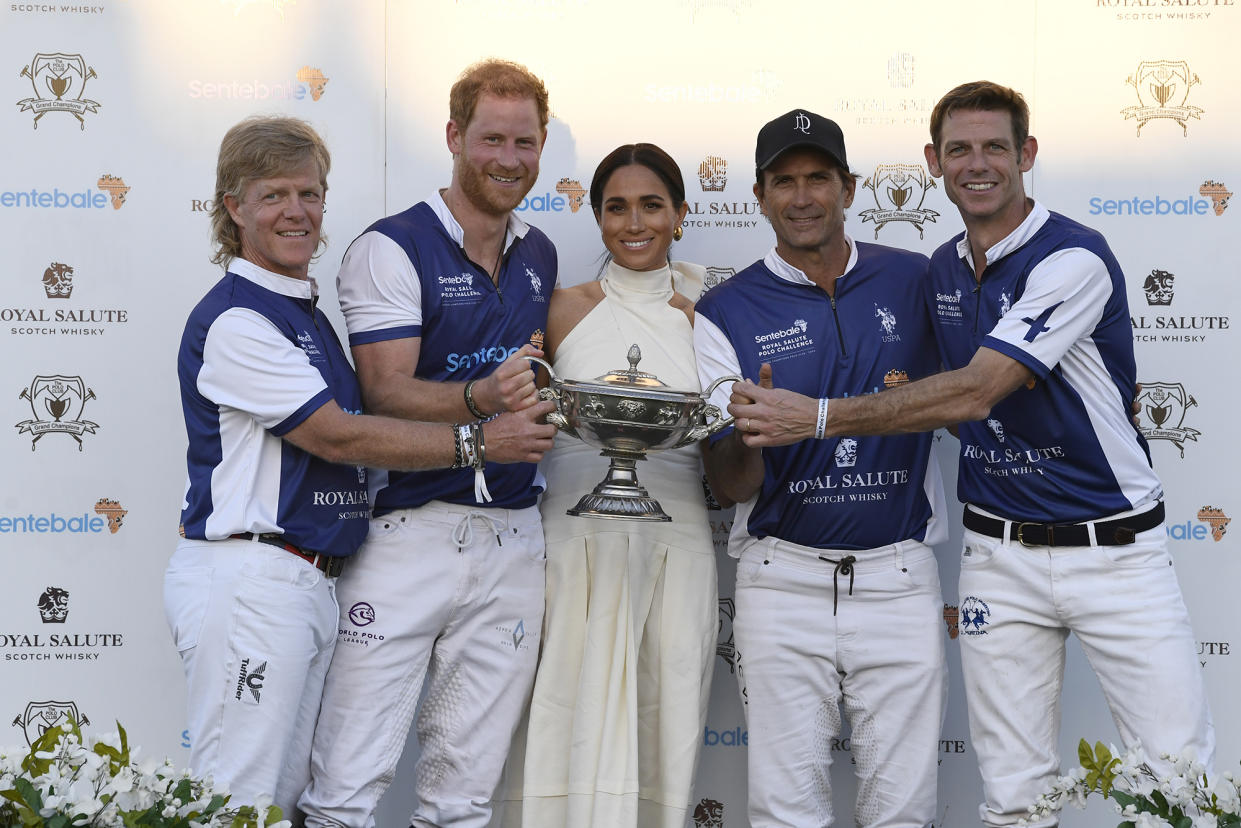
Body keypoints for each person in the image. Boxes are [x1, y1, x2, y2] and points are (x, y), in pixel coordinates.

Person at [726, 82, 1215, 828]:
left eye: (994, 147)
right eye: (958, 149)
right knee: (1014, 795)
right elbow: (924, 390)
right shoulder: (941, 271)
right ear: (933, 161)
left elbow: (977, 391)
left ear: (1026, 154)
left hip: (1114, 550)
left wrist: (818, 417)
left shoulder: (1073, 257)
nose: (976, 164)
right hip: (998, 556)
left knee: (1175, 784)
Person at [167, 115, 555, 822]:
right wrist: (478, 443)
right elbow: (338, 438)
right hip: (253, 578)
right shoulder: (237, 319)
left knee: (275, 804)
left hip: (307, 580)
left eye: (309, 194)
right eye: (274, 195)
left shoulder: (302, 311)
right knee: (235, 806)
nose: (297, 212)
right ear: (233, 208)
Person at [298, 59, 559, 828]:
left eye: (526, 142)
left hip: (514, 537)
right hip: (409, 531)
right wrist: (484, 408)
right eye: (491, 139)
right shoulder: (391, 246)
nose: (509, 159)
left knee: (462, 798)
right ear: (453, 136)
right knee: (346, 785)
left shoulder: (539, 250)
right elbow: (384, 390)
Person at [692, 109, 948, 828]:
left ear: (849, 187)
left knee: (904, 810)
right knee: (784, 811)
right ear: (758, 194)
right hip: (783, 581)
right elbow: (728, 484)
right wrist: (751, 433)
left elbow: (970, 390)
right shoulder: (723, 310)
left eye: (817, 179)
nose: (801, 197)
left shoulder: (915, 279)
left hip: (897, 576)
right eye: (783, 182)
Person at [498, 143, 717, 828]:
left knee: (664, 712)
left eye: (651, 205)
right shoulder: (559, 310)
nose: (633, 222)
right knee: (564, 709)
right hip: (570, 536)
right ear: (595, 217)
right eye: (615, 207)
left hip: (675, 540)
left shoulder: (706, 318)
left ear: (680, 214)